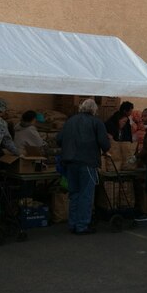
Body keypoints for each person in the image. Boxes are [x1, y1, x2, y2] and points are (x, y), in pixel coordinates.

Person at [57, 99, 110, 235]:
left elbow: (59, 139)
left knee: (74, 194)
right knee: (86, 195)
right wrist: (105, 149)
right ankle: (82, 225)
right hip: (87, 161)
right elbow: (104, 142)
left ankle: (72, 224)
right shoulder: (96, 122)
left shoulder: (70, 121)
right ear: (94, 110)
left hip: (70, 162)